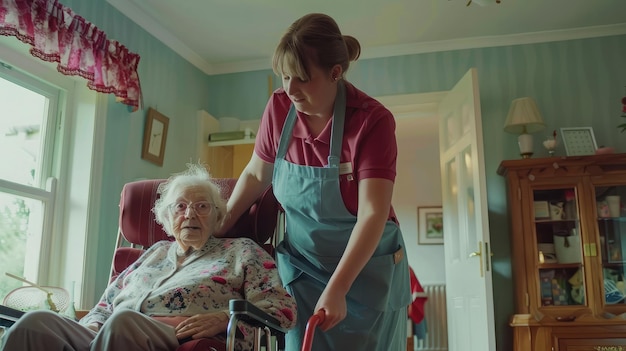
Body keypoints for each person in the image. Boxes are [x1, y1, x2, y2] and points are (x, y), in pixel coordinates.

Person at [217, 13, 410, 351]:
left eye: (302, 79)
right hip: (303, 272)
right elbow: (255, 175)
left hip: (365, 276)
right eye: (285, 76)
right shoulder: (279, 108)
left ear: (335, 73)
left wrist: (338, 288)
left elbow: (372, 213)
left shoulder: (371, 121)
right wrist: (217, 229)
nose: (290, 89)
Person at [0, 164, 297, 351]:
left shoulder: (242, 251)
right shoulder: (152, 254)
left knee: (124, 322)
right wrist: (90, 327)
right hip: (110, 330)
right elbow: (106, 304)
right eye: (180, 207)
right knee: (35, 323)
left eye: (202, 206)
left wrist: (223, 319)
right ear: (167, 218)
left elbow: (283, 309)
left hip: (176, 334)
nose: (190, 213)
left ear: (218, 215)